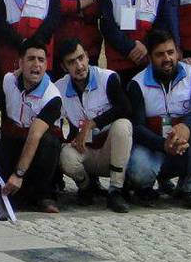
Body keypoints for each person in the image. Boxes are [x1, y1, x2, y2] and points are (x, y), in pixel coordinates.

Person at [125, 29, 191, 209]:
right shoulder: (137, 84)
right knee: (139, 171)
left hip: (186, 147)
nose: (167, 58)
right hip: (155, 148)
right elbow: (138, 127)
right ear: (150, 57)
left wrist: (187, 125)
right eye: (160, 54)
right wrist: (164, 145)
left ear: (178, 53)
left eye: (170, 52)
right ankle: (144, 189)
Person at [55, 38, 133, 212]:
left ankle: (115, 190)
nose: (79, 65)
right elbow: (54, 124)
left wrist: (92, 124)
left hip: (110, 150)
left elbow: (126, 108)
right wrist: (68, 140)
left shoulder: (107, 77)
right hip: (85, 151)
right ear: (64, 67)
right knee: (65, 155)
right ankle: (86, 186)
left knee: (123, 125)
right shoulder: (59, 88)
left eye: (81, 58)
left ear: (87, 56)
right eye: (71, 62)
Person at [0, 39, 63, 213]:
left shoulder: (52, 96)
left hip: (40, 150)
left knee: (49, 143)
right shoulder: (8, 81)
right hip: (16, 143)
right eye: (31, 59)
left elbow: (35, 135)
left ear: (46, 65)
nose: (36, 64)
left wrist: (18, 174)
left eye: (41, 60)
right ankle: (14, 193)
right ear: (20, 63)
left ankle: (44, 195)